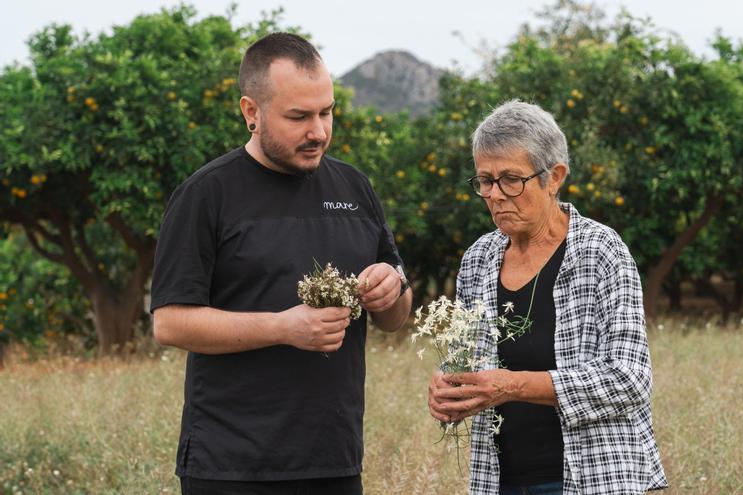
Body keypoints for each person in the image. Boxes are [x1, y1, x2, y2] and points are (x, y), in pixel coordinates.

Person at [150, 32, 412, 495]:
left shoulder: (354, 188)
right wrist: (282, 328)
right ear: (251, 112)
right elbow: (170, 323)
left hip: (335, 461)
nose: (319, 132)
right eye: (299, 117)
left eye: (327, 112)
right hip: (230, 468)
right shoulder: (206, 195)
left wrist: (391, 288)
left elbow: (395, 318)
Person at [427, 100, 667, 495]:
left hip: (593, 478)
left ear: (554, 177)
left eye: (511, 179)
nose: (496, 195)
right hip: (500, 480)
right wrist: (448, 391)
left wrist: (510, 385)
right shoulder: (477, 261)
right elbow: (470, 368)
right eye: (485, 181)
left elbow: (630, 380)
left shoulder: (600, 251)